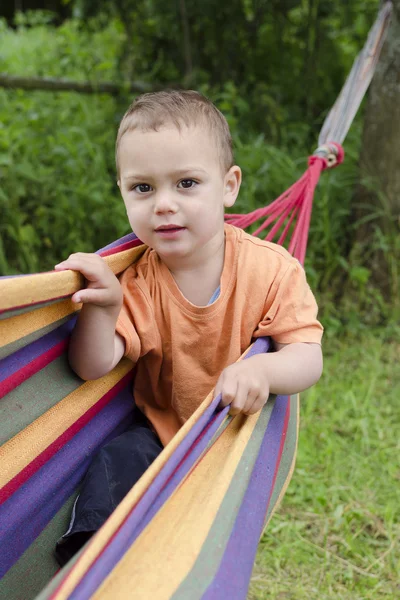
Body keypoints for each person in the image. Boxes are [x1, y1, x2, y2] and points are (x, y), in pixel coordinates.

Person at [54, 90, 323, 565]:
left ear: (228, 185)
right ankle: (90, 567)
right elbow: (91, 366)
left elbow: (306, 356)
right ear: (121, 190)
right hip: (160, 434)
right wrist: (104, 306)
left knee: (208, 542)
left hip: (235, 442)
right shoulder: (136, 282)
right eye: (142, 188)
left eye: (186, 183)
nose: (163, 204)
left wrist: (264, 372)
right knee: (114, 461)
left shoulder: (272, 271)